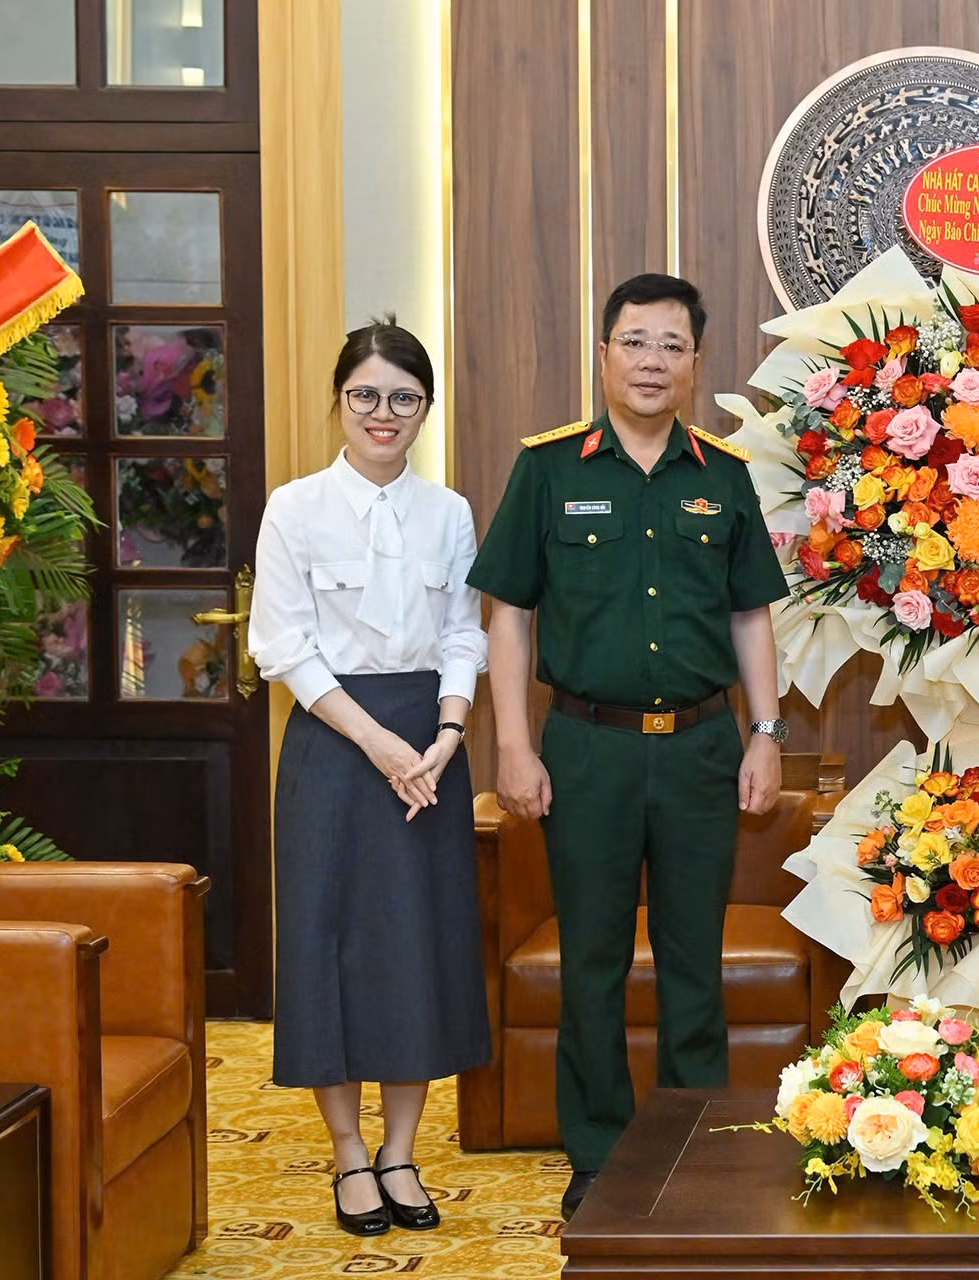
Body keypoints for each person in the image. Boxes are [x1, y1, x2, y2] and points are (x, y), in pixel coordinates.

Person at [468, 273, 789, 1221]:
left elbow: (750, 618)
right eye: (635, 342)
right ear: (604, 352)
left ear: (696, 364)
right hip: (585, 748)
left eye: (672, 346)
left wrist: (765, 734)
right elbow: (509, 615)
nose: (653, 361)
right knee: (593, 963)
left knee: (695, 963)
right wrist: (516, 748)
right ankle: (599, 1155)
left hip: (698, 749)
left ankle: (697, 1147)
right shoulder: (550, 469)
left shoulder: (722, 477)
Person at [248, 318, 489, 1237]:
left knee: (416, 947)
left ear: (424, 408)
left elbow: (465, 632)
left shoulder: (450, 512)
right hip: (333, 747)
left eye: (404, 398)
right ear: (339, 402)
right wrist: (379, 745)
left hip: (431, 748)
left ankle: (401, 1150)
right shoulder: (295, 507)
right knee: (330, 945)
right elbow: (283, 647)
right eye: (366, 396)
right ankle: (348, 1154)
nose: (383, 414)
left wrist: (448, 730)